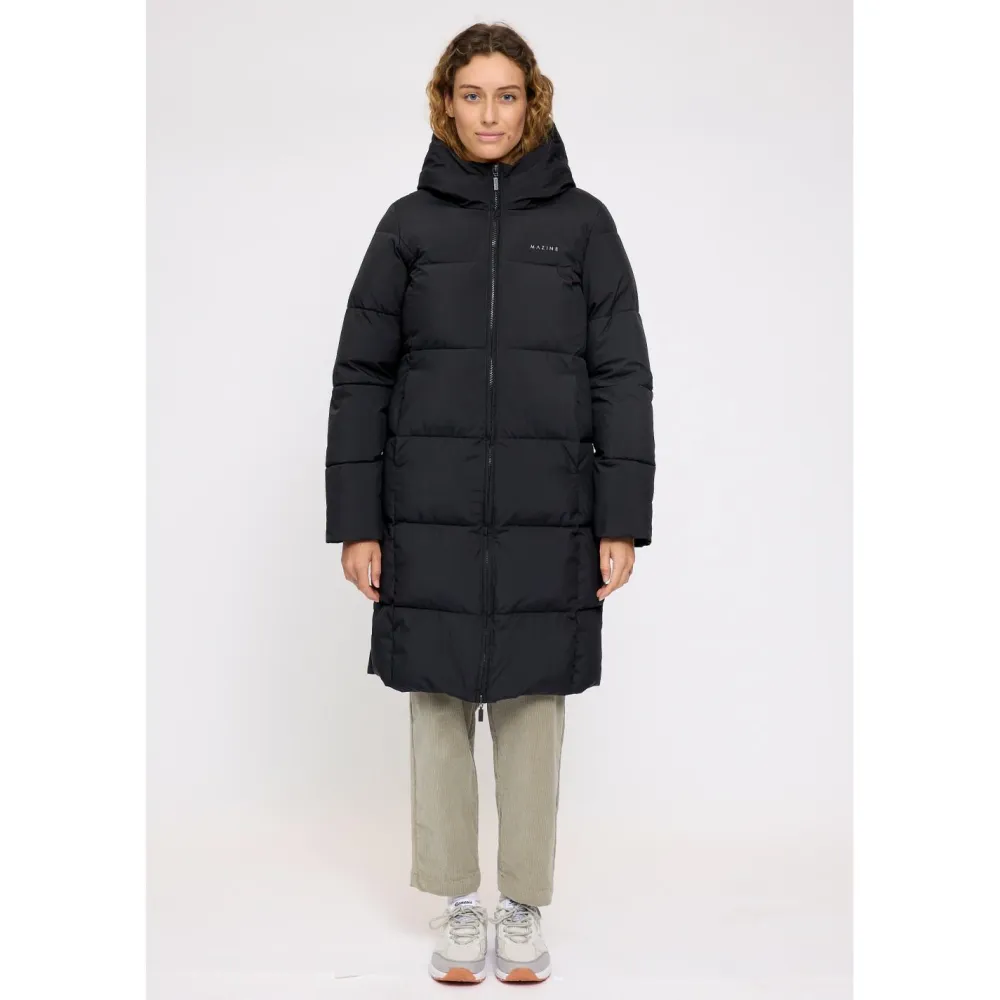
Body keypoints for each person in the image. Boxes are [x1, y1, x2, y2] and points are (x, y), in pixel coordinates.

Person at [324, 22, 655, 985]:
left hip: (551, 509)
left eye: (506, 95)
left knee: (532, 706)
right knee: (436, 701)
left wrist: (620, 517)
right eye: (471, 95)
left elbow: (621, 375)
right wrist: (358, 523)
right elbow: (361, 377)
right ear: (446, 102)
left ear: (532, 101)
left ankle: (523, 905)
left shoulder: (584, 226)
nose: (489, 114)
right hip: (425, 508)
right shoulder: (408, 226)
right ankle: (458, 906)